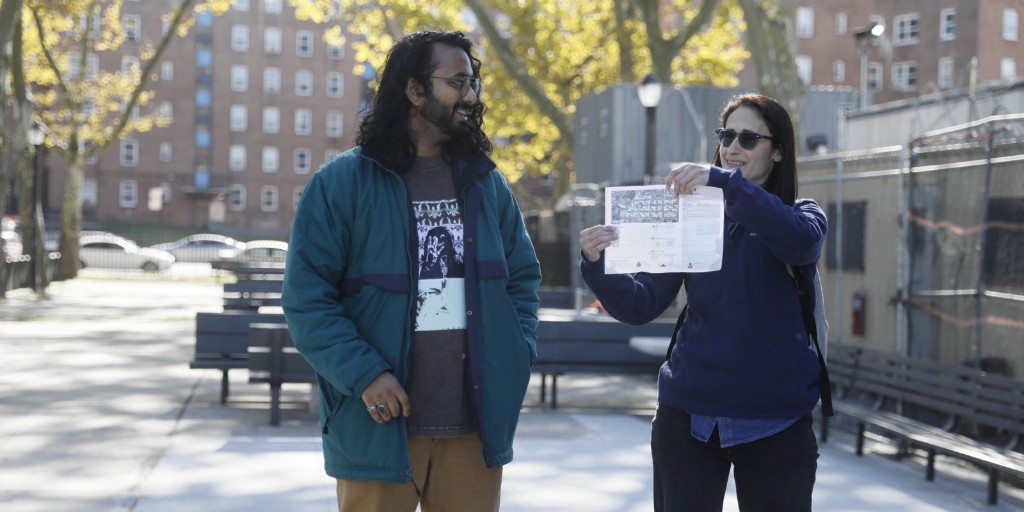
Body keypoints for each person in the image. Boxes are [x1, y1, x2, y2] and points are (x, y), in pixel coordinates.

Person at [282, 30, 542, 512]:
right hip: (377, 427)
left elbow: (522, 282)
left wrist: (516, 351)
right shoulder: (341, 184)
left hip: (474, 431)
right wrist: (364, 374)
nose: (471, 96)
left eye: (473, 83)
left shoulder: (488, 184)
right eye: (458, 82)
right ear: (415, 90)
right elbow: (307, 300)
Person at [579, 93, 827, 512]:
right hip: (687, 416)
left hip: (776, 419)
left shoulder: (803, 214)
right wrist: (597, 265)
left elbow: (800, 242)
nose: (732, 147)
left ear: (779, 151)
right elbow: (641, 306)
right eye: (726, 135)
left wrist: (725, 182)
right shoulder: (693, 217)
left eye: (749, 139)